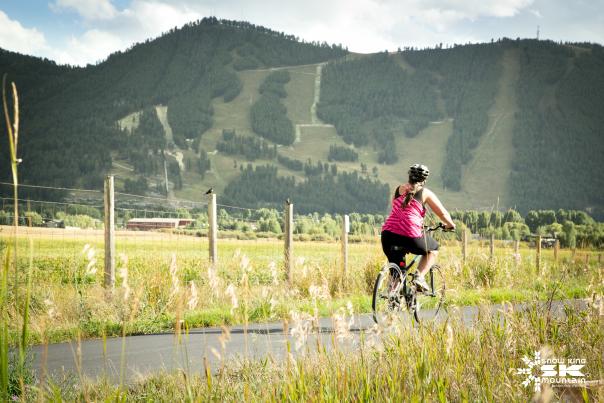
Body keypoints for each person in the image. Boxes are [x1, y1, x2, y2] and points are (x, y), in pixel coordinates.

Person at [381, 163, 455, 291]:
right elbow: (442, 213)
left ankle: (391, 298)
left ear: (409, 176)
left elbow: (397, 208)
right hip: (409, 234)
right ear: (424, 180)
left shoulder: (399, 189)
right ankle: (419, 277)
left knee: (396, 270)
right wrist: (450, 225)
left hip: (387, 235)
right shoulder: (425, 193)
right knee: (433, 249)